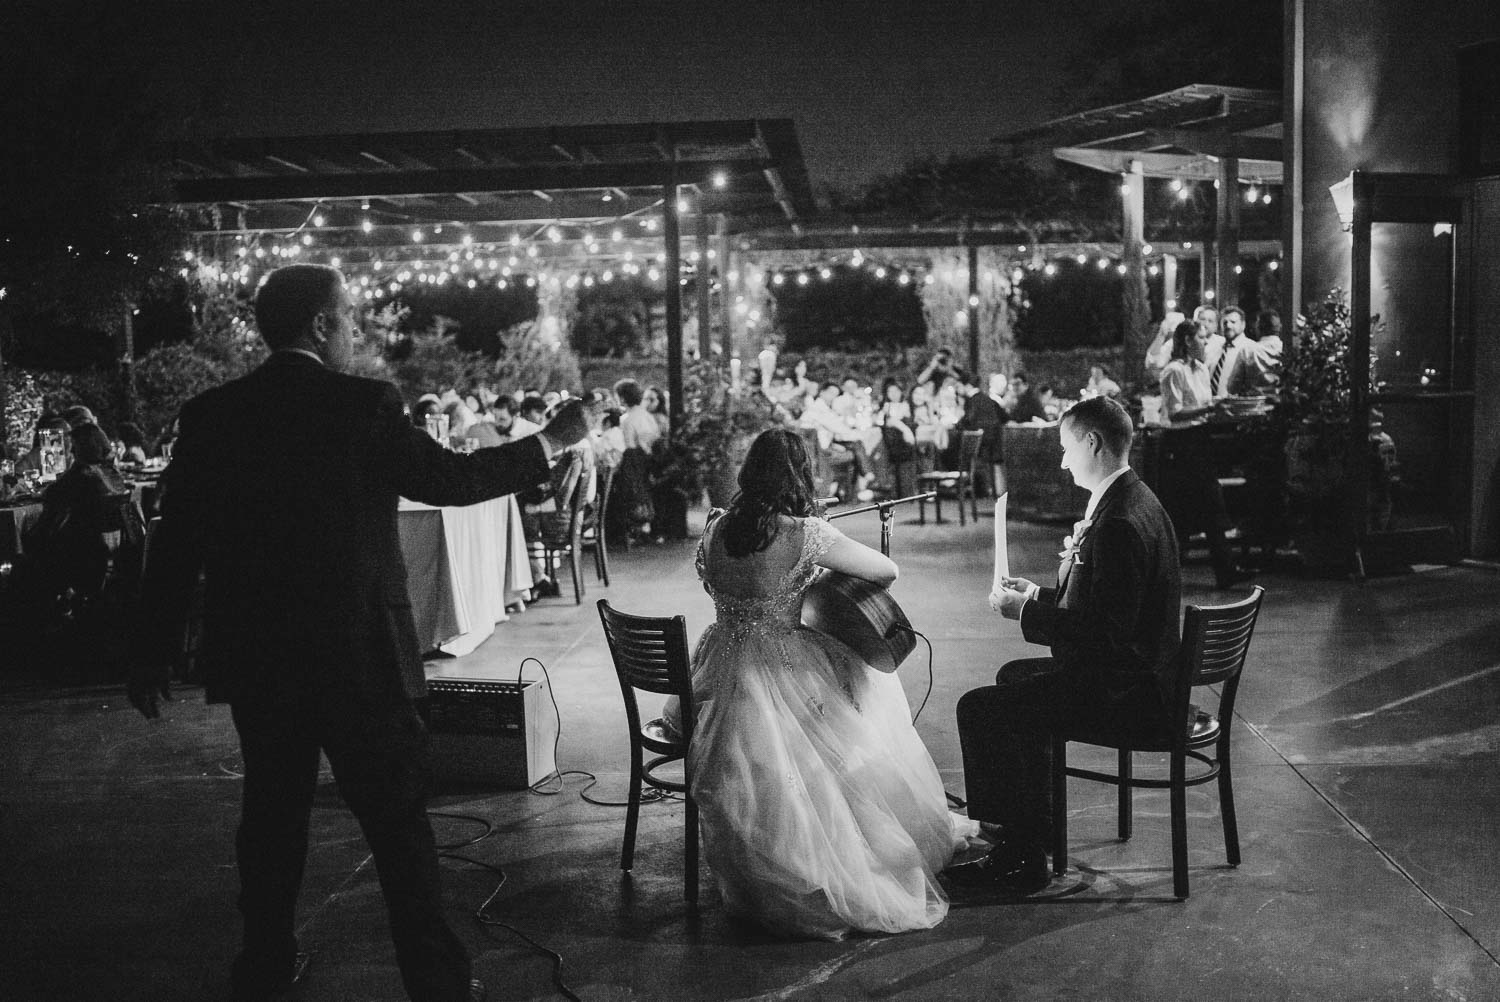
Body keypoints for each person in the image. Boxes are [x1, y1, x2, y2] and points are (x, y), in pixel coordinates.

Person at [127, 264, 590, 1002]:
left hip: (262, 657)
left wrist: (151, 648)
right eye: (347, 317)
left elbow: (176, 539)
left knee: (271, 818)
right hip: (360, 655)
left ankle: (264, 967)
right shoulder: (364, 404)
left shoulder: (213, 414)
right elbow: (452, 482)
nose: (353, 330)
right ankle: (434, 983)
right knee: (400, 830)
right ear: (319, 324)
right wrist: (549, 442)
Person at [669, 428, 976, 938]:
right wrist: (815, 556)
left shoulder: (717, 527)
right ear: (800, 474)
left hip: (719, 669)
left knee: (773, 758)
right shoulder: (804, 532)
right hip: (780, 665)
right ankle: (817, 864)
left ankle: (756, 863)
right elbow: (886, 570)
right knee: (862, 686)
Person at [947, 397, 1182, 893]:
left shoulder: (1117, 523)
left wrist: (1027, 614)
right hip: (1139, 675)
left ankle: (1019, 858)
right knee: (1014, 678)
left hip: (1129, 695)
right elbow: (1107, 607)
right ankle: (1035, 830)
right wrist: (1036, 595)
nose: (1061, 460)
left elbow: (1103, 635)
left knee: (980, 709)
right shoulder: (1135, 499)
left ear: (1092, 443)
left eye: (1065, 447)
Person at [1158, 321, 1254, 589]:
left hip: (1200, 441)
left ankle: (1225, 569)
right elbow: (1175, 411)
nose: (1206, 343)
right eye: (1201, 338)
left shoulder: (1200, 369)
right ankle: (1169, 573)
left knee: (1211, 504)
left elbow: (1203, 402)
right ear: (1188, 341)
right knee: (1186, 508)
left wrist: (1219, 405)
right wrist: (1208, 410)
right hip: (1180, 443)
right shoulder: (1173, 371)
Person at [959, 373, 1010, 497]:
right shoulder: (988, 398)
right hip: (995, 441)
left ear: (966, 386)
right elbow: (1004, 417)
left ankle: (961, 486)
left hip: (981, 443)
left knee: (955, 447)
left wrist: (957, 424)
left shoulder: (972, 400)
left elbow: (968, 421)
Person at [1143, 310, 1185, 382]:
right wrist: (1161, 335)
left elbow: (1154, 363)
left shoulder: (1173, 344)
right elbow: (1150, 362)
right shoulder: (1166, 343)